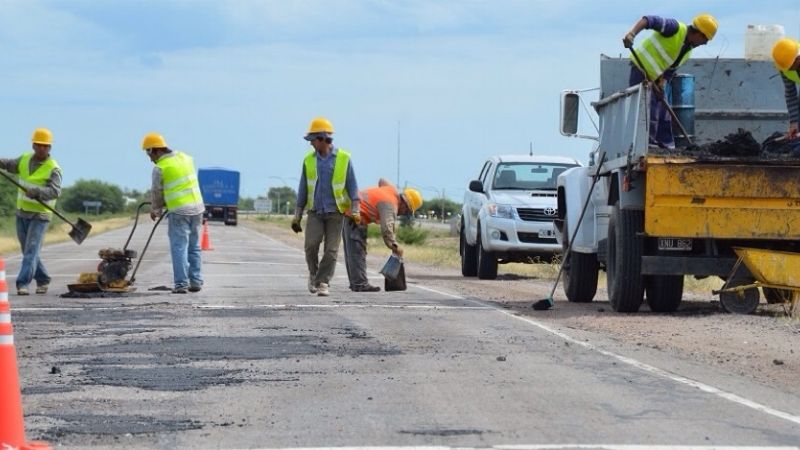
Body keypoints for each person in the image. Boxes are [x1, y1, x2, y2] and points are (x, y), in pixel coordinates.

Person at [623, 13, 718, 148]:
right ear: (699, 34)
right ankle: (648, 144)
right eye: (705, 39)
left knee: (663, 108)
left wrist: (662, 84)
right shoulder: (674, 28)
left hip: (656, 79)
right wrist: (632, 34)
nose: (705, 43)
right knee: (650, 107)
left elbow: (670, 69)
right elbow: (648, 20)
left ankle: (666, 145)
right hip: (641, 71)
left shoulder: (687, 50)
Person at [292, 117, 360, 297]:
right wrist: (297, 215)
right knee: (310, 246)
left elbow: (352, 186)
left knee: (331, 251)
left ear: (322, 138)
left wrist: (356, 210)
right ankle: (314, 274)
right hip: (315, 212)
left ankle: (323, 282)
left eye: (313, 140)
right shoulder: (308, 160)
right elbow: (303, 188)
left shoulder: (344, 158)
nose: (311, 144)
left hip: (336, 213)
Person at [141, 132, 205, 294]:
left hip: (179, 211)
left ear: (156, 150)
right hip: (197, 209)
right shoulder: (185, 158)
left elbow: (157, 191)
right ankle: (196, 281)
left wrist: (156, 209)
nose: (150, 158)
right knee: (194, 246)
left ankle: (181, 284)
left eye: (149, 153)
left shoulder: (160, 168)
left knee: (179, 247)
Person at [0, 128, 61, 295]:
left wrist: (38, 192)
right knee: (27, 250)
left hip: (40, 215)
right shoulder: (25, 159)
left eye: (45, 146)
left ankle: (22, 283)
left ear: (50, 148)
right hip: (22, 212)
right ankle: (43, 279)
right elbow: (9, 164)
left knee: (31, 249)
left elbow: (55, 191)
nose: (42, 148)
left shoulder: (53, 168)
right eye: (39, 145)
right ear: (33, 145)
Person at [343, 178, 422, 292]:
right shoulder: (390, 205)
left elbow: (381, 181)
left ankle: (356, 282)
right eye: (407, 211)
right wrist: (395, 247)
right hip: (356, 217)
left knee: (352, 252)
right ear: (405, 205)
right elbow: (387, 230)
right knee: (357, 252)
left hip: (350, 211)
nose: (403, 214)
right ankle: (360, 284)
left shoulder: (390, 191)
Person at [772, 38, 800, 140]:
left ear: (798, 59)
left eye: (789, 67)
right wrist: (794, 123)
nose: (786, 70)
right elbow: (790, 94)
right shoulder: (784, 66)